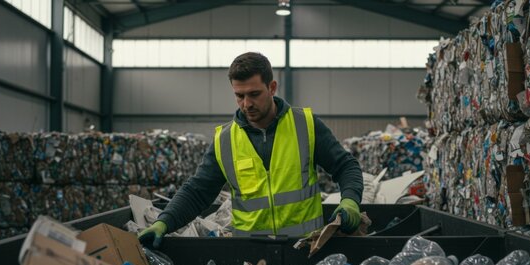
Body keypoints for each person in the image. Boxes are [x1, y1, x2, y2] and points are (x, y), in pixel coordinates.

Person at [139, 52, 363, 247]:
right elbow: (197, 191)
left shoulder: (305, 125)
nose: (247, 104)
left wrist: (350, 200)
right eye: (239, 96)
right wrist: (163, 222)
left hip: (305, 248)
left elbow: (345, 166)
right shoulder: (225, 140)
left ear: (272, 87)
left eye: (254, 94)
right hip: (249, 254)